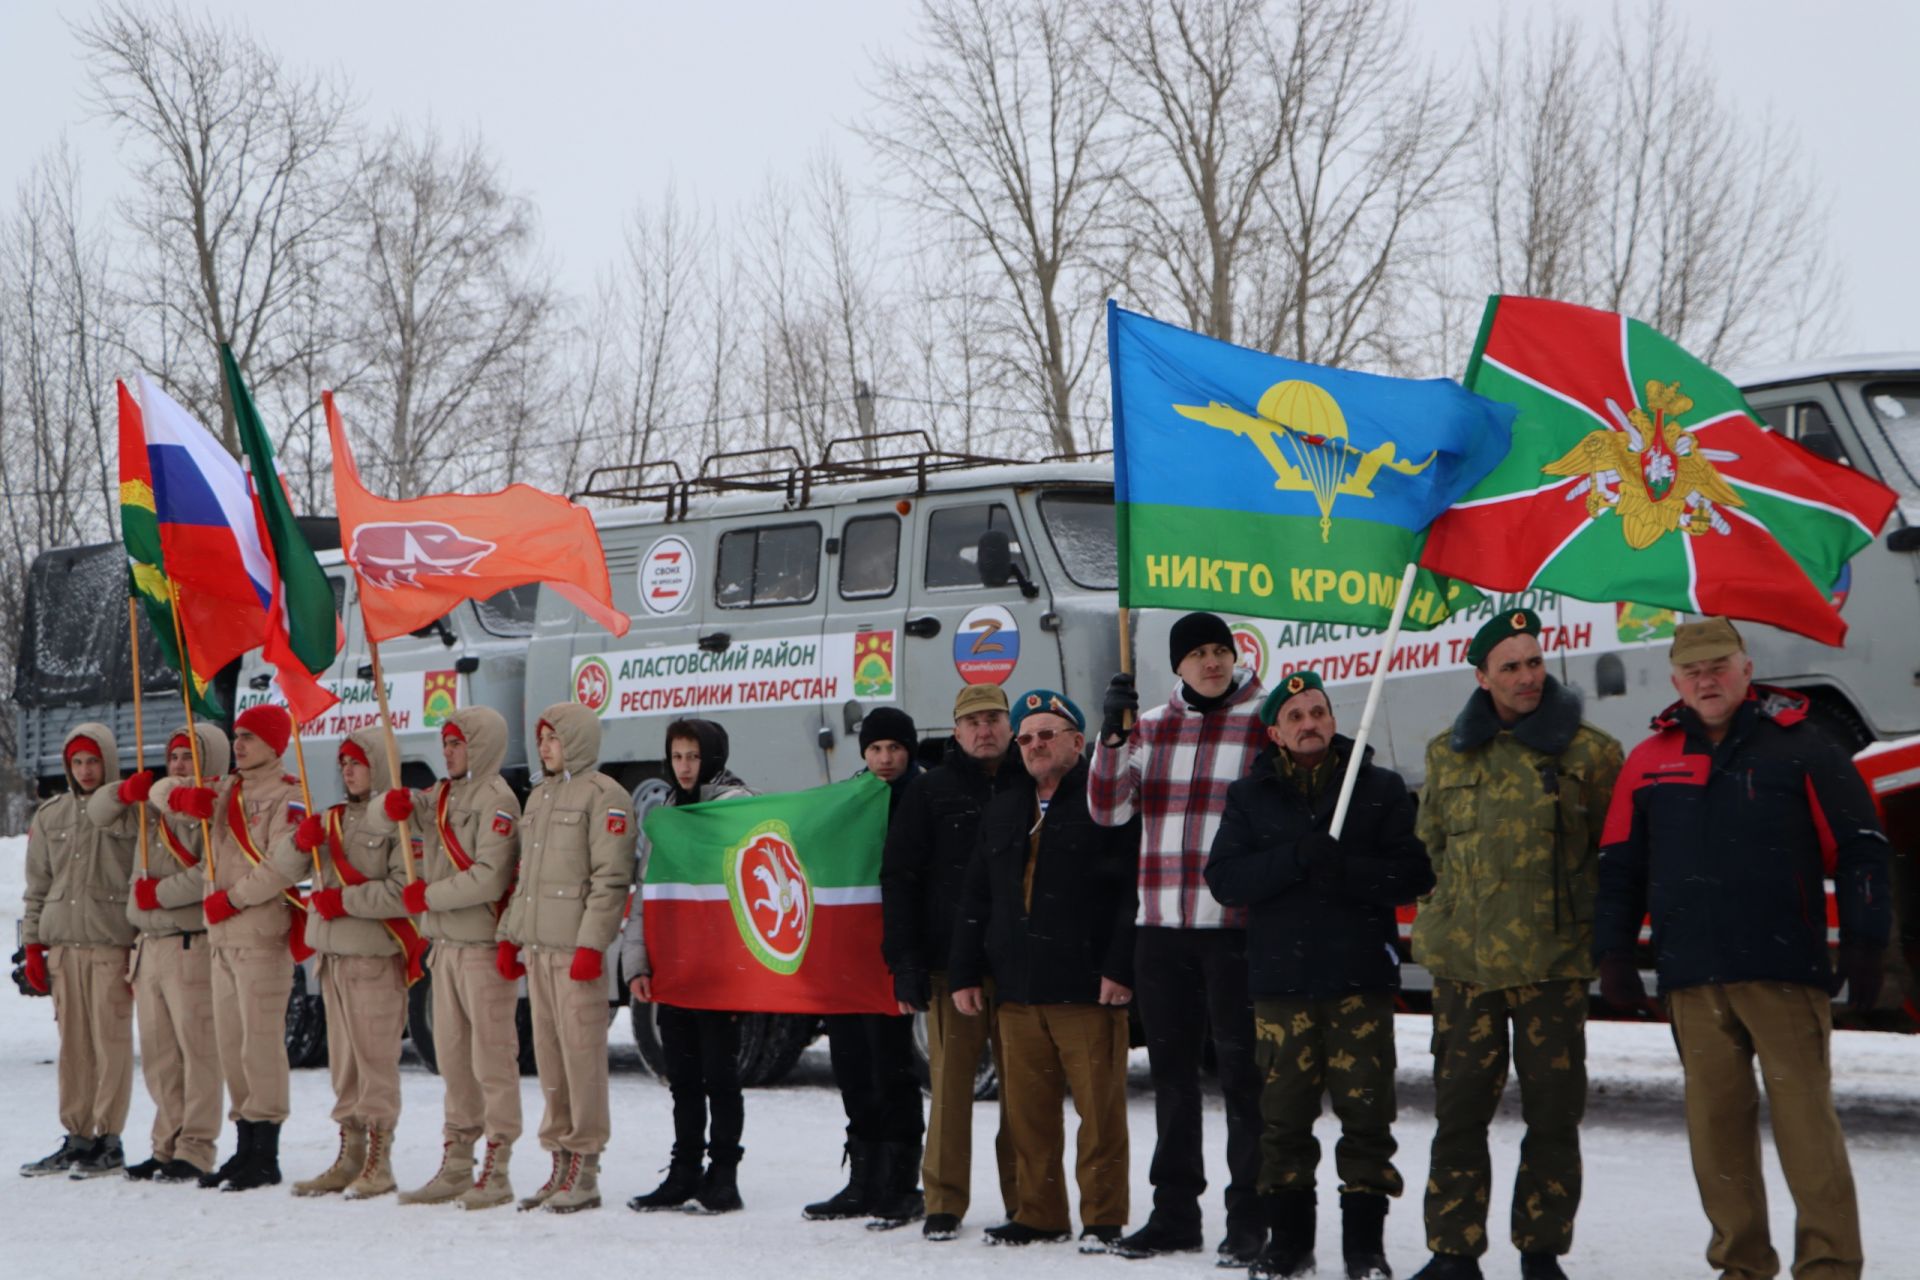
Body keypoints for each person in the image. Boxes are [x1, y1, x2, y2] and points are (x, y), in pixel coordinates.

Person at [1594, 618, 1890, 1280]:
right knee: (1717, 1140)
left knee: (1808, 1135)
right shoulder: (1649, 759)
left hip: (1781, 972)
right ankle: (1741, 1266)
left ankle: (1830, 1267)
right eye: (1693, 671)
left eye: (1719, 666)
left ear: (1746, 669)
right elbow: (1620, 866)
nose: (1708, 680)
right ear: (1675, 680)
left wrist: (1868, 943)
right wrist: (1613, 953)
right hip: (1692, 979)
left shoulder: (1804, 747)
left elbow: (1863, 850)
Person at [1408, 610, 1622, 1280]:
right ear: (1482, 677)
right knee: (1458, 1116)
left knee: (1554, 1117)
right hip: (1465, 969)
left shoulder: (1591, 753)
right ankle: (1452, 1252)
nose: (1528, 677)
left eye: (1534, 662)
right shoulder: (1448, 752)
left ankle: (1541, 1251)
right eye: (1511, 667)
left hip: (1551, 967)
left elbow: (1610, 856)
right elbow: (1432, 849)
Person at [1207, 671, 1433, 1280]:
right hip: (1282, 988)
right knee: (1282, 1122)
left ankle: (1365, 1249)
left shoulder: (1378, 788)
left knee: (1367, 1120)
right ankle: (1290, 1245)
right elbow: (1225, 879)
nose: (1310, 724)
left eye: (1318, 712)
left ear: (1333, 720)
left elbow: (1415, 873)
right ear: (1276, 734)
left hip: (1358, 981)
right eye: (1296, 717)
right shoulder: (1249, 798)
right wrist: (1295, 858)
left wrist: (1350, 871)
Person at [1091, 611, 1269, 1263]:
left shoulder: (1262, 721)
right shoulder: (1154, 727)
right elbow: (1107, 809)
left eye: (1221, 650)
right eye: (1198, 653)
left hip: (1235, 931)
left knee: (1245, 1079)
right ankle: (1174, 1213)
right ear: (1179, 665)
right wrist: (1111, 740)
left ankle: (1249, 1216)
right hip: (1161, 929)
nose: (1213, 662)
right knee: (1172, 1077)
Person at [949, 690, 1137, 1251]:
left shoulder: (1109, 804)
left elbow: (1132, 892)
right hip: (1018, 992)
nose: (1034, 745)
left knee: (1099, 1116)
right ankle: (1040, 1213)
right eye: (1026, 737)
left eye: (1047, 734)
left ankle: (1102, 1218)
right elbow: (976, 896)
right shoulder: (1006, 807)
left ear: (1078, 743)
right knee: (1027, 1118)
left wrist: (1119, 966)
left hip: (1086, 987)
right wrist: (963, 972)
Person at [882, 684, 1022, 1242]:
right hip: (946, 963)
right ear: (956, 732)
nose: (984, 730)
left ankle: (1026, 1199)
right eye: (973, 721)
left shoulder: (1031, 781)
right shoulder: (930, 790)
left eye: (993, 718)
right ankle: (943, 1201)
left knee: (1023, 1097)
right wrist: (905, 962)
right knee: (951, 1091)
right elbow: (900, 879)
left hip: (1019, 967)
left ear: (1009, 725)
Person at [149, 704, 307, 1192]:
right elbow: (161, 792)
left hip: (258, 935)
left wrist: (232, 900)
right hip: (224, 941)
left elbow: (287, 863)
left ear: (274, 745)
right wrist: (187, 798)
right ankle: (243, 1146)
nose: (238, 745)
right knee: (233, 1048)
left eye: (249, 738)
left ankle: (265, 1152)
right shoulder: (227, 791)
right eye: (236, 737)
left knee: (260, 1047)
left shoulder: (289, 797)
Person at [498, 702, 636, 1214]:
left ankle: (587, 1165)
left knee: (583, 1063)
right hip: (539, 952)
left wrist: (590, 945)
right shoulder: (538, 797)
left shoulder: (606, 797)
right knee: (551, 1062)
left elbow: (611, 880)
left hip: (575, 956)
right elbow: (525, 880)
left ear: (576, 740)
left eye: (553, 738)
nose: (545, 747)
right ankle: (558, 1159)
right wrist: (511, 935)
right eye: (541, 739)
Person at [383, 707, 524, 1209]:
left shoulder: (497, 800)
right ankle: (458, 1161)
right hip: (445, 949)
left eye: (457, 743)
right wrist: (398, 802)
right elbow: (412, 809)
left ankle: (499, 1165)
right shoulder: (444, 794)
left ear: (481, 746)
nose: (447, 752)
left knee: (493, 1061)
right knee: (455, 1062)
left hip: (482, 950)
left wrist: (431, 896)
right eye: (444, 743)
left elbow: (489, 875)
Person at [805, 705, 929, 1229]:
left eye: (895, 749)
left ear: (910, 751)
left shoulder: (926, 796)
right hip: (847, 958)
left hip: (896, 956)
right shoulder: (850, 800)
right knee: (853, 1068)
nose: (885, 759)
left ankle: (901, 1183)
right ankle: (863, 1179)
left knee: (893, 1069)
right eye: (876, 749)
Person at [621, 718, 752, 1215]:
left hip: (719, 972)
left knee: (721, 1076)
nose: (685, 766)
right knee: (684, 1081)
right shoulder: (665, 816)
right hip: (674, 970)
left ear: (712, 757)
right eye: (677, 757)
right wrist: (638, 961)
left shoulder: (737, 807)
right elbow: (646, 896)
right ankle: (683, 1171)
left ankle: (724, 1175)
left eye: (694, 757)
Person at [288, 730, 417, 1200]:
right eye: (343, 761)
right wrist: (300, 841)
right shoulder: (333, 819)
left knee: (375, 1063)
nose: (348, 769)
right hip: (334, 959)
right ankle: (350, 1155)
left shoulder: (398, 818)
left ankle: (379, 1162)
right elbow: (289, 867)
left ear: (378, 766)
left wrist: (343, 900)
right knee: (344, 1067)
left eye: (358, 761)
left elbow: (404, 892)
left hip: (374, 959)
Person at [102, 723, 228, 1183]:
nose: (177, 766)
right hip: (149, 947)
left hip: (188, 942)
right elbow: (101, 811)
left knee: (198, 1053)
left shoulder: (213, 810)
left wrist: (162, 893)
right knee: (159, 1056)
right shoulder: (153, 810)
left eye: (188, 758)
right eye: (173, 757)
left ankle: (195, 1147)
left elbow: (210, 873)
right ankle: (165, 1143)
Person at [19, 722, 138, 1179]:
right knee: (74, 1047)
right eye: (77, 762)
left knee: (110, 1045)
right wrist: (34, 944)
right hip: (65, 947)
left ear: (107, 761)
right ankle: (78, 1135)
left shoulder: (128, 812)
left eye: (93, 761)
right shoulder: (50, 816)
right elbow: (38, 886)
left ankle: (109, 1139)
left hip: (110, 943)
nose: (86, 770)